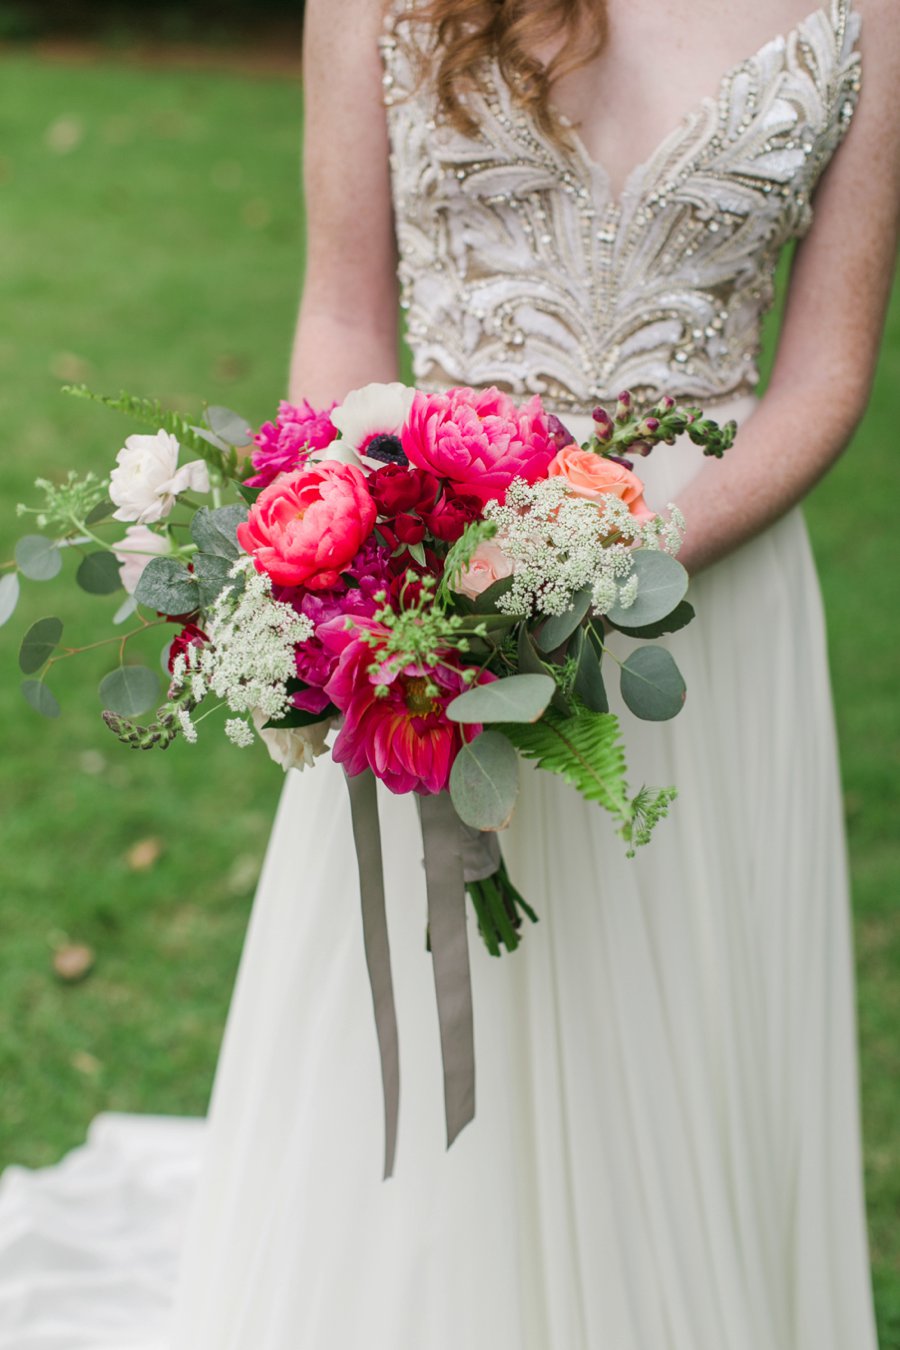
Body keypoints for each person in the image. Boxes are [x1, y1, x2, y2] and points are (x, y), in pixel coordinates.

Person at [0, 1, 897, 1347]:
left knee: (671, 1064)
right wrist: (370, 569)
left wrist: (624, 553)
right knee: (420, 1068)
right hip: (431, 567)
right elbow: (344, 310)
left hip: (706, 602)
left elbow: (826, 374)